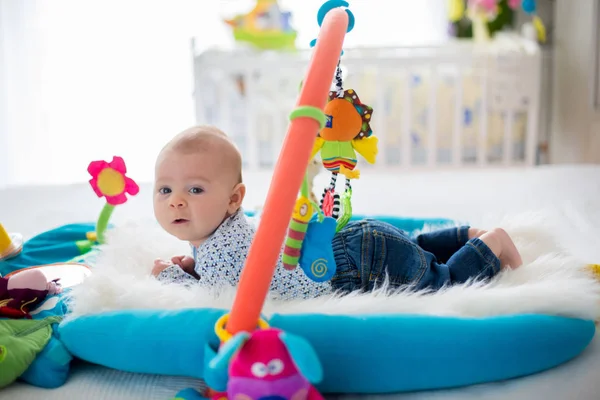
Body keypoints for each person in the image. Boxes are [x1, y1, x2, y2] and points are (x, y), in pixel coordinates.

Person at [152, 125, 522, 300]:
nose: (175, 201)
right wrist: (192, 265)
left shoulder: (217, 254)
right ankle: (464, 234)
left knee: (443, 285)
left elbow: (213, 300)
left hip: (355, 267)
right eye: (165, 189)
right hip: (355, 245)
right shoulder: (228, 230)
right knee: (413, 248)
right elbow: (234, 266)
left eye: (194, 189)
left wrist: (171, 276)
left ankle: (490, 244)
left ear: (234, 200)